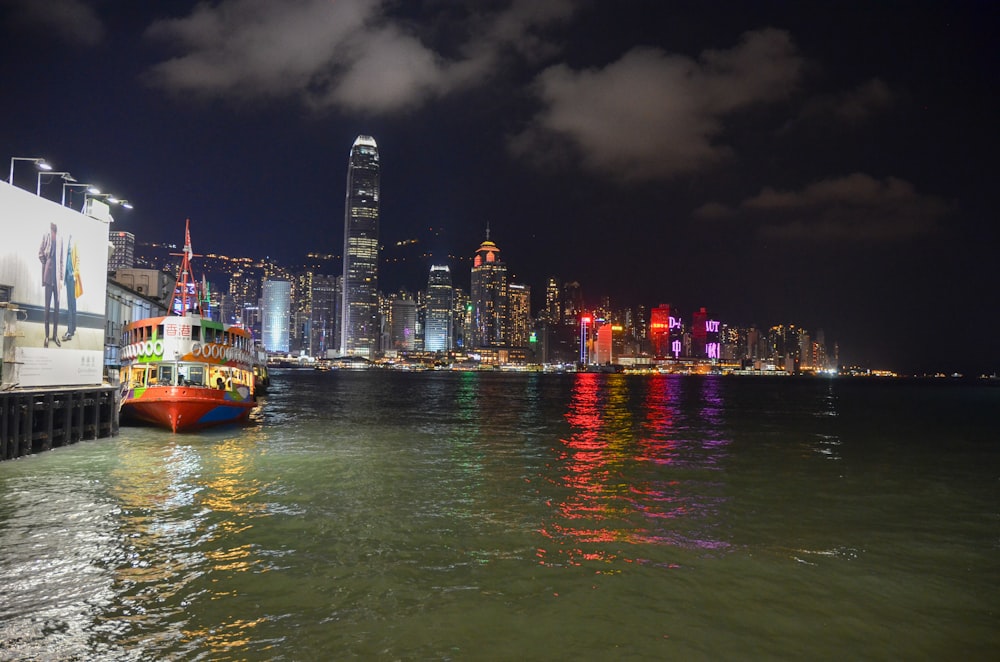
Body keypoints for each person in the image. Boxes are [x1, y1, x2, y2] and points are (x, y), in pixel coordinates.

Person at [38, 222, 64, 347]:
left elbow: (61, 260)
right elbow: (40, 253)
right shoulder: (46, 235)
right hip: (48, 277)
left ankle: (55, 335)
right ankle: (47, 336)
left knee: (57, 309)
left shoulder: (60, 239)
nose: (53, 229)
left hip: (57, 277)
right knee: (47, 308)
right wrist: (46, 263)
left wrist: (61, 279)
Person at [62, 236, 81, 342]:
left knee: (71, 306)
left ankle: (70, 330)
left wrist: (75, 274)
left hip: (72, 278)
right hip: (68, 278)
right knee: (72, 305)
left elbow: (77, 260)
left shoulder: (74, 244)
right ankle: (72, 329)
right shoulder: (68, 242)